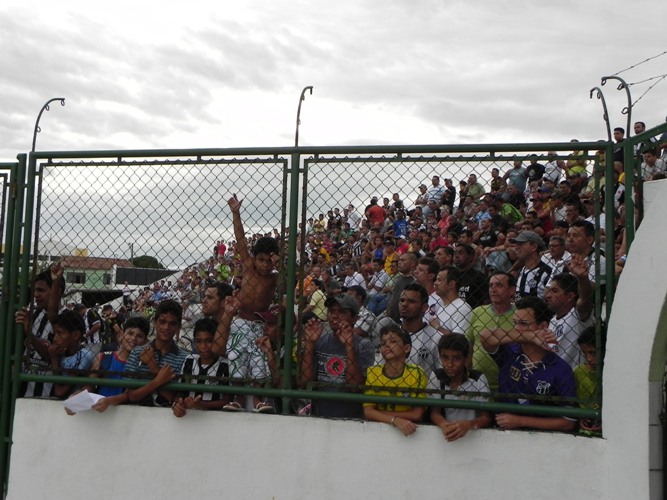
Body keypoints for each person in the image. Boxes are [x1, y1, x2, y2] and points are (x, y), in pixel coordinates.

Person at [480, 296, 577, 432]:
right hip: (503, 436)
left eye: (524, 323)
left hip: (542, 440)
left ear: (543, 326)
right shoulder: (510, 351)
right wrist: (530, 336)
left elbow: (568, 421)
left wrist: (520, 421)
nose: (517, 328)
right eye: (515, 323)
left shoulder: (560, 369)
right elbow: (485, 335)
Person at [223, 194, 280, 409]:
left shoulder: (275, 277)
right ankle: (237, 400)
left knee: (258, 363)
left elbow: (291, 276)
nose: (265, 265)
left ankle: (257, 400)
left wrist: (280, 262)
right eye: (261, 259)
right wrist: (236, 213)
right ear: (254, 258)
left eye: (270, 260)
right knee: (237, 359)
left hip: (258, 325)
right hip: (240, 321)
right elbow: (240, 240)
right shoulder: (248, 267)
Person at [298, 294, 375, 418]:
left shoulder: (363, 345)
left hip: (350, 417)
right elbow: (305, 382)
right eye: (331, 311)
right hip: (320, 415)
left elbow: (355, 386)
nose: (334, 315)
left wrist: (349, 346)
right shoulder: (320, 341)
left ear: (354, 318)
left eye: (342, 312)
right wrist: (309, 344)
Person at [363, 324, 428, 436]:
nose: (387, 345)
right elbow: (368, 411)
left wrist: (379, 414)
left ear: (406, 348)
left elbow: (417, 414)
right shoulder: (373, 372)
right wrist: (395, 420)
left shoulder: (416, 372)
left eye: (392, 341)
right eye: (383, 343)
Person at [125, 300, 189, 407]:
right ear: (154, 322)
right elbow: (131, 395)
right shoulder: (137, 352)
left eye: (172, 323)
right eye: (162, 322)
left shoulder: (184, 358)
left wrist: (152, 365)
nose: (166, 327)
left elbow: (172, 398)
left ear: (178, 327)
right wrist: (160, 380)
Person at [429, 334, 492, 441]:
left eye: (456, 358)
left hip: (473, 436)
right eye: (445, 358)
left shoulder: (477, 379)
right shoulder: (437, 376)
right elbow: (434, 412)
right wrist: (443, 424)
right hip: (446, 432)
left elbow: (486, 417)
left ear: (466, 358)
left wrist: (468, 425)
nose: (449, 364)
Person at [15, 269, 64, 398]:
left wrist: (29, 333)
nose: (36, 294)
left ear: (56, 291)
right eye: (35, 290)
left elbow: (51, 355)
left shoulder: (66, 319)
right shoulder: (33, 313)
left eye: (41, 290)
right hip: (22, 389)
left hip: (47, 394)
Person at [172, 318, 231, 417]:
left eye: (209, 341)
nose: (203, 346)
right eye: (198, 341)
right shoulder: (190, 360)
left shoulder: (224, 365)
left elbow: (227, 400)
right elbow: (181, 392)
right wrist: (178, 404)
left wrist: (202, 405)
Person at [466, 272, 516, 391]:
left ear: (511, 290)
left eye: (499, 285)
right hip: (478, 384)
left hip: (512, 384)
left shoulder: (520, 315)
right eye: (491, 285)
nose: (493, 289)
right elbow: (469, 345)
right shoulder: (477, 312)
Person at [30, 309, 95, 400]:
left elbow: (59, 392)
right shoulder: (62, 352)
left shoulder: (83, 356)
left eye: (60, 333)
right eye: (55, 333)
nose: (55, 338)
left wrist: (54, 359)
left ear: (75, 335)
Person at [544, 270, 594, 368]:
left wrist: (582, 278)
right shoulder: (553, 320)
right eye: (549, 291)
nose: (548, 296)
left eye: (554, 291)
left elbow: (585, 299)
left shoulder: (577, 316)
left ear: (570, 296)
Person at [574, 325, 604, 436]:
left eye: (593, 353)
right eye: (585, 353)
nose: (589, 358)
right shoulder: (579, 372)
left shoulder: (610, 373)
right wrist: (580, 417)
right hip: (583, 424)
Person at [429, 267, 472, 336]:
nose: (435, 283)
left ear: (451, 284)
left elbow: (458, 341)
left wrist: (437, 327)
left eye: (439, 280)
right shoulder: (440, 303)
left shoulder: (462, 308)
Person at [511, 230, 552, 300]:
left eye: (521, 244)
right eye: (516, 244)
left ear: (534, 247)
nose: (516, 247)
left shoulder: (546, 273)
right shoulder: (521, 271)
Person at [385, 252, 417, 323]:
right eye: (399, 260)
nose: (399, 262)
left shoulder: (414, 282)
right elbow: (393, 297)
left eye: (403, 260)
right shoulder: (399, 278)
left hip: (402, 320)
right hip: (391, 316)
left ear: (412, 264)